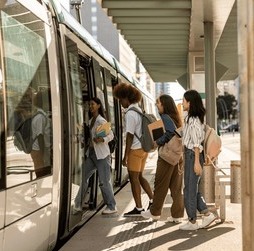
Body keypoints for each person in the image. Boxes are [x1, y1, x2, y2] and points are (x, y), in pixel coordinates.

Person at [141, 94, 184, 222]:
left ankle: (154, 212)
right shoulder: (175, 117)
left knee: (160, 184)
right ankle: (177, 216)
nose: (156, 105)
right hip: (177, 157)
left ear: (164, 104)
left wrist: (158, 142)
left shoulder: (165, 117)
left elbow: (170, 133)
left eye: (158, 103)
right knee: (176, 187)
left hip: (166, 156)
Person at [113, 83, 153, 216]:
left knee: (134, 179)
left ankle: (139, 208)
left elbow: (129, 136)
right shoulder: (138, 110)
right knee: (140, 177)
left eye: (120, 100)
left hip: (135, 150)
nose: (120, 103)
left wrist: (125, 156)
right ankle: (153, 200)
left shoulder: (130, 113)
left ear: (126, 98)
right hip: (143, 149)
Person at [73, 97, 117, 215]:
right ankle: (77, 204)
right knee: (83, 178)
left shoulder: (101, 120)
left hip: (102, 155)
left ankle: (111, 206)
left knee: (104, 181)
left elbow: (111, 135)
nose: (90, 106)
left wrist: (103, 139)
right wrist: (79, 139)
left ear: (98, 105)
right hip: (92, 154)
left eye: (92, 104)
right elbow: (89, 137)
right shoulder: (91, 120)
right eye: (89, 104)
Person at [180, 89, 216, 230]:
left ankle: (193, 221)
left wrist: (195, 162)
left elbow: (196, 143)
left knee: (190, 189)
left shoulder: (193, 120)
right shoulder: (191, 118)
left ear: (189, 102)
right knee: (190, 188)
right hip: (189, 155)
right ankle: (206, 214)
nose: (182, 103)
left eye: (183, 100)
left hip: (193, 155)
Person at [31, 90, 51, 178]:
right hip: (38, 151)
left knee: (42, 174)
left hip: (39, 150)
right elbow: (40, 136)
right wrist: (43, 154)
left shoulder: (40, 115)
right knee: (41, 175)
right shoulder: (40, 117)